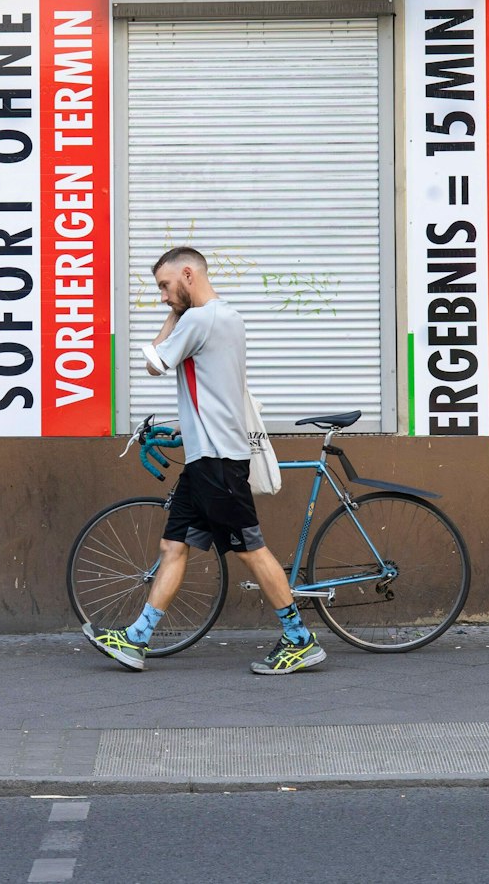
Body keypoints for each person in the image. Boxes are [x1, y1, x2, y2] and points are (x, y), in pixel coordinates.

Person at [82, 246, 326, 676]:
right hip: (205, 457)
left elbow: (155, 362)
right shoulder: (229, 317)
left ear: (188, 275)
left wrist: (175, 314)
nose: (162, 296)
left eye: (164, 285)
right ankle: (137, 639)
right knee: (173, 546)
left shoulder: (197, 319)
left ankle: (299, 639)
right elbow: (216, 389)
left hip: (217, 461)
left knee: (251, 549)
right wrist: (186, 427)